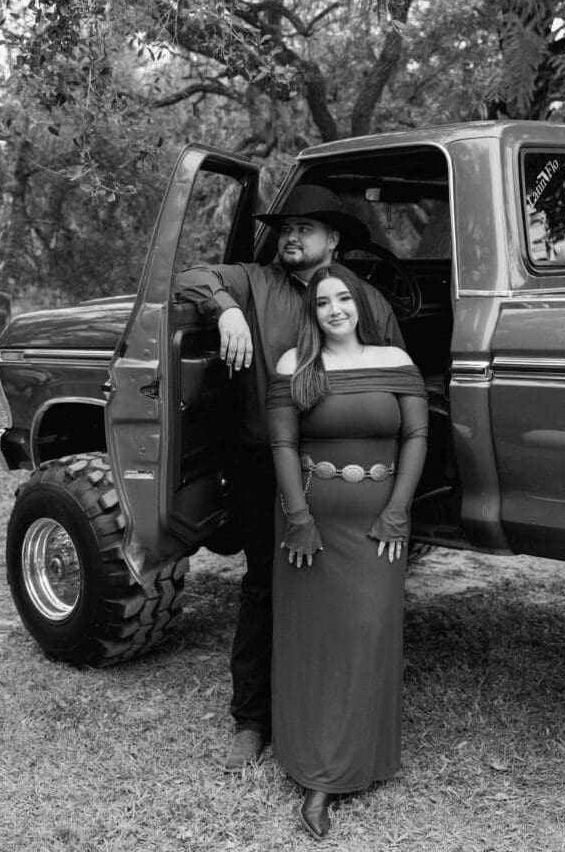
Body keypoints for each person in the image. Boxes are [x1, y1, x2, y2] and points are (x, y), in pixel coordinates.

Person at [174, 186, 405, 771]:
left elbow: (396, 385)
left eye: (306, 228)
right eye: (286, 228)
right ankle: (252, 720)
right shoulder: (254, 282)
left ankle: (333, 714)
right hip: (263, 461)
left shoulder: (365, 301)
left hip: (347, 471)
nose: (292, 237)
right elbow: (190, 276)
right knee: (266, 584)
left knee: (341, 588)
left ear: (334, 239)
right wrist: (226, 309)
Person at [266, 264, 428, 840]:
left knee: (367, 632)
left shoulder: (394, 362)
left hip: (379, 525)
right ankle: (319, 774)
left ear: (360, 304)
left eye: (343, 299)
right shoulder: (295, 365)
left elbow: (416, 436)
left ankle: (357, 756)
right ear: (312, 313)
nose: (335, 310)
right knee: (317, 641)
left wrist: (398, 510)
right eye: (322, 302)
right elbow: (283, 443)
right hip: (311, 527)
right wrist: (298, 518)